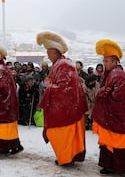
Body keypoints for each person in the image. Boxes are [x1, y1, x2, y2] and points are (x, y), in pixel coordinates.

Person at [37, 31, 87, 166]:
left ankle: (66, 157)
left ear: (55, 52)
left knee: (62, 133)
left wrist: (49, 88)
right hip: (65, 107)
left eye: (49, 52)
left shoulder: (64, 64)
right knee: (61, 134)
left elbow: (65, 88)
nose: (47, 55)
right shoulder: (60, 63)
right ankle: (66, 156)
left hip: (66, 108)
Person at [92, 39, 125, 176]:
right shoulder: (111, 73)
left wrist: (103, 93)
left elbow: (119, 97)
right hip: (111, 116)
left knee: (119, 142)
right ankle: (110, 165)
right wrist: (103, 92)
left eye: (107, 61)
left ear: (115, 62)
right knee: (109, 143)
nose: (104, 63)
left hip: (118, 116)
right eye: (104, 61)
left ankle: (123, 168)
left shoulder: (118, 74)